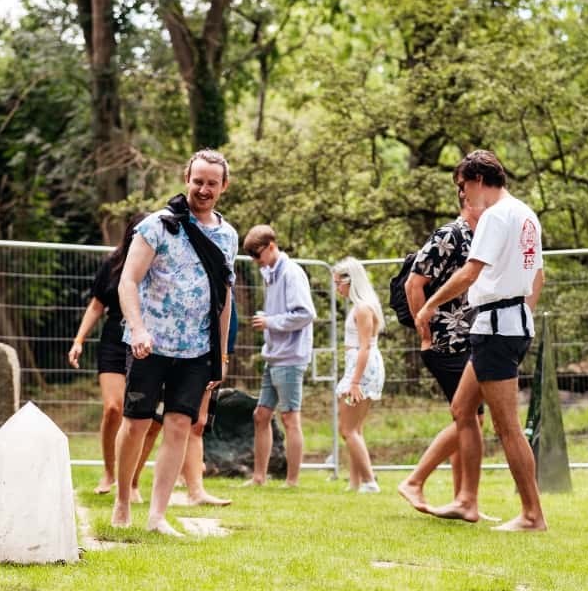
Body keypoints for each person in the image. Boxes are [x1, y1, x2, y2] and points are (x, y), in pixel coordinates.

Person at [415, 150, 547, 532]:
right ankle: (466, 500)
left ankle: (532, 514)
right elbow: (537, 276)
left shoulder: (494, 215)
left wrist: (430, 307)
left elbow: (470, 273)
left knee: (506, 427)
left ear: (476, 180)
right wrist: (523, 317)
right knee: (462, 409)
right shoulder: (526, 214)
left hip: (496, 326)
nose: (463, 196)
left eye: (462, 186)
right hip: (510, 322)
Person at [110, 149, 237, 535]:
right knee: (136, 423)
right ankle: (122, 501)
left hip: (198, 349)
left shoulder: (228, 236)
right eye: (198, 181)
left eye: (211, 183)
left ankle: (157, 516)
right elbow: (128, 281)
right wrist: (138, 328)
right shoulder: (158, 226)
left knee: (181, 425)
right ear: (187, 179)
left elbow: (224, 298)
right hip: (150, 344)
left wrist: (223, 352)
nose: (203, 189)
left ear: (223, 187)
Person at [397, 190, 487, 513]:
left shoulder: (480, 237)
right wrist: (426, 332)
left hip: (470, 338)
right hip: (446, 342)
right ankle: (414, 481)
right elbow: (413, 284)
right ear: (468, 201)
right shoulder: (450, 234)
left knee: (469, 420)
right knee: (470, 418)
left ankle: (462, 500)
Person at [67, 213, 154, 497]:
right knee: (114, 408)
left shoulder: (160, 262)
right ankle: (108, 472)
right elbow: (96, 306)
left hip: (147, 345)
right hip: (115, 343)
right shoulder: (114, 263)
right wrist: (79, 339)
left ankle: (132, 479)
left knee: (146, 417)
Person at [242, 224, 316, 487]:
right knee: (261, 415)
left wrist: (270, 322)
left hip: (290, 357)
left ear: (271, 246)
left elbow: (305, 314)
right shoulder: (270, 273)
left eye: (258, 255)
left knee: (289, 418)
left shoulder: (292, 273)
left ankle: (292, 481)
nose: (256, 261)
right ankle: (258, 477)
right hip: (274, 355)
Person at [332, 257, 386, 493]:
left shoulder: (363, 308)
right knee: (355, 428)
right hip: (359, 365)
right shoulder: (359, 306)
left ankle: (369, 481)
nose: (337, 288)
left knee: (348, 429)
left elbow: (365, 346)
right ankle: (355, 482)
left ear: (350, 282)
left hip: (361, 367)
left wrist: (354, 382)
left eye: (338, 283)